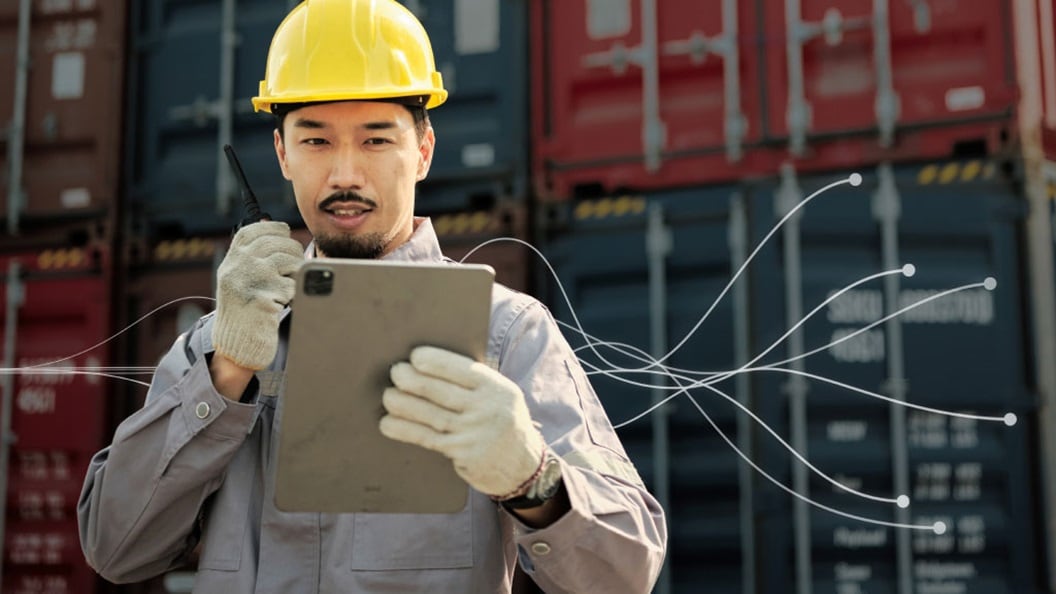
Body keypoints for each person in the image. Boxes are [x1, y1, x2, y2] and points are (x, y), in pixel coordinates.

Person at [77, 0, 667, 592]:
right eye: (316, 142)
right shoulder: (219, 343)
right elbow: (114, 548)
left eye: (376, 140)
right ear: (282, 154)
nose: (345, 175)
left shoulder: (506, 335)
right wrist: (225, 374)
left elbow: (625, 575)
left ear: (424, 151)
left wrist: (529, 477)